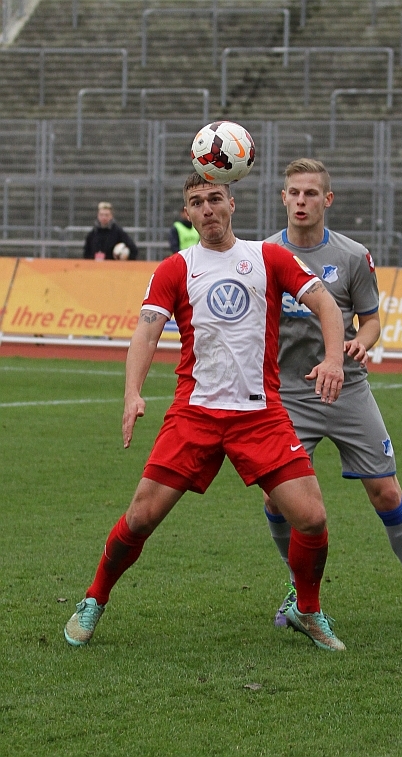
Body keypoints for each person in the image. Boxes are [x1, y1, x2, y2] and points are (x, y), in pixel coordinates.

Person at [64, 171, 348, 652]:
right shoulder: (176, 268)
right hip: (194, 414)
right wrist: (132, 392)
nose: (207, 208)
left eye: (215, 198)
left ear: (231, 203)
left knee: (312, 518)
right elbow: (146, 331)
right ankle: (94, 598)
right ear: (188, 214)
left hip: (259, 415)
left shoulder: (269, 257)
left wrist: (334, 359)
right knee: (140, 517)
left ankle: (307, 608)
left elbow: (327, 305)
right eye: (197, 202)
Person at [264, 158, 402, 631]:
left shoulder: (352, 256)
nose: (302, 201)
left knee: (386, 491)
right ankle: (298, 590)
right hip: (289, 396)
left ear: (327, 200)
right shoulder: (264, 255)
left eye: (311, 193)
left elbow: (370, 320)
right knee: (278, 502)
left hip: (347, 389)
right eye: (294, 193)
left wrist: (360, 343)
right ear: (283, 198)